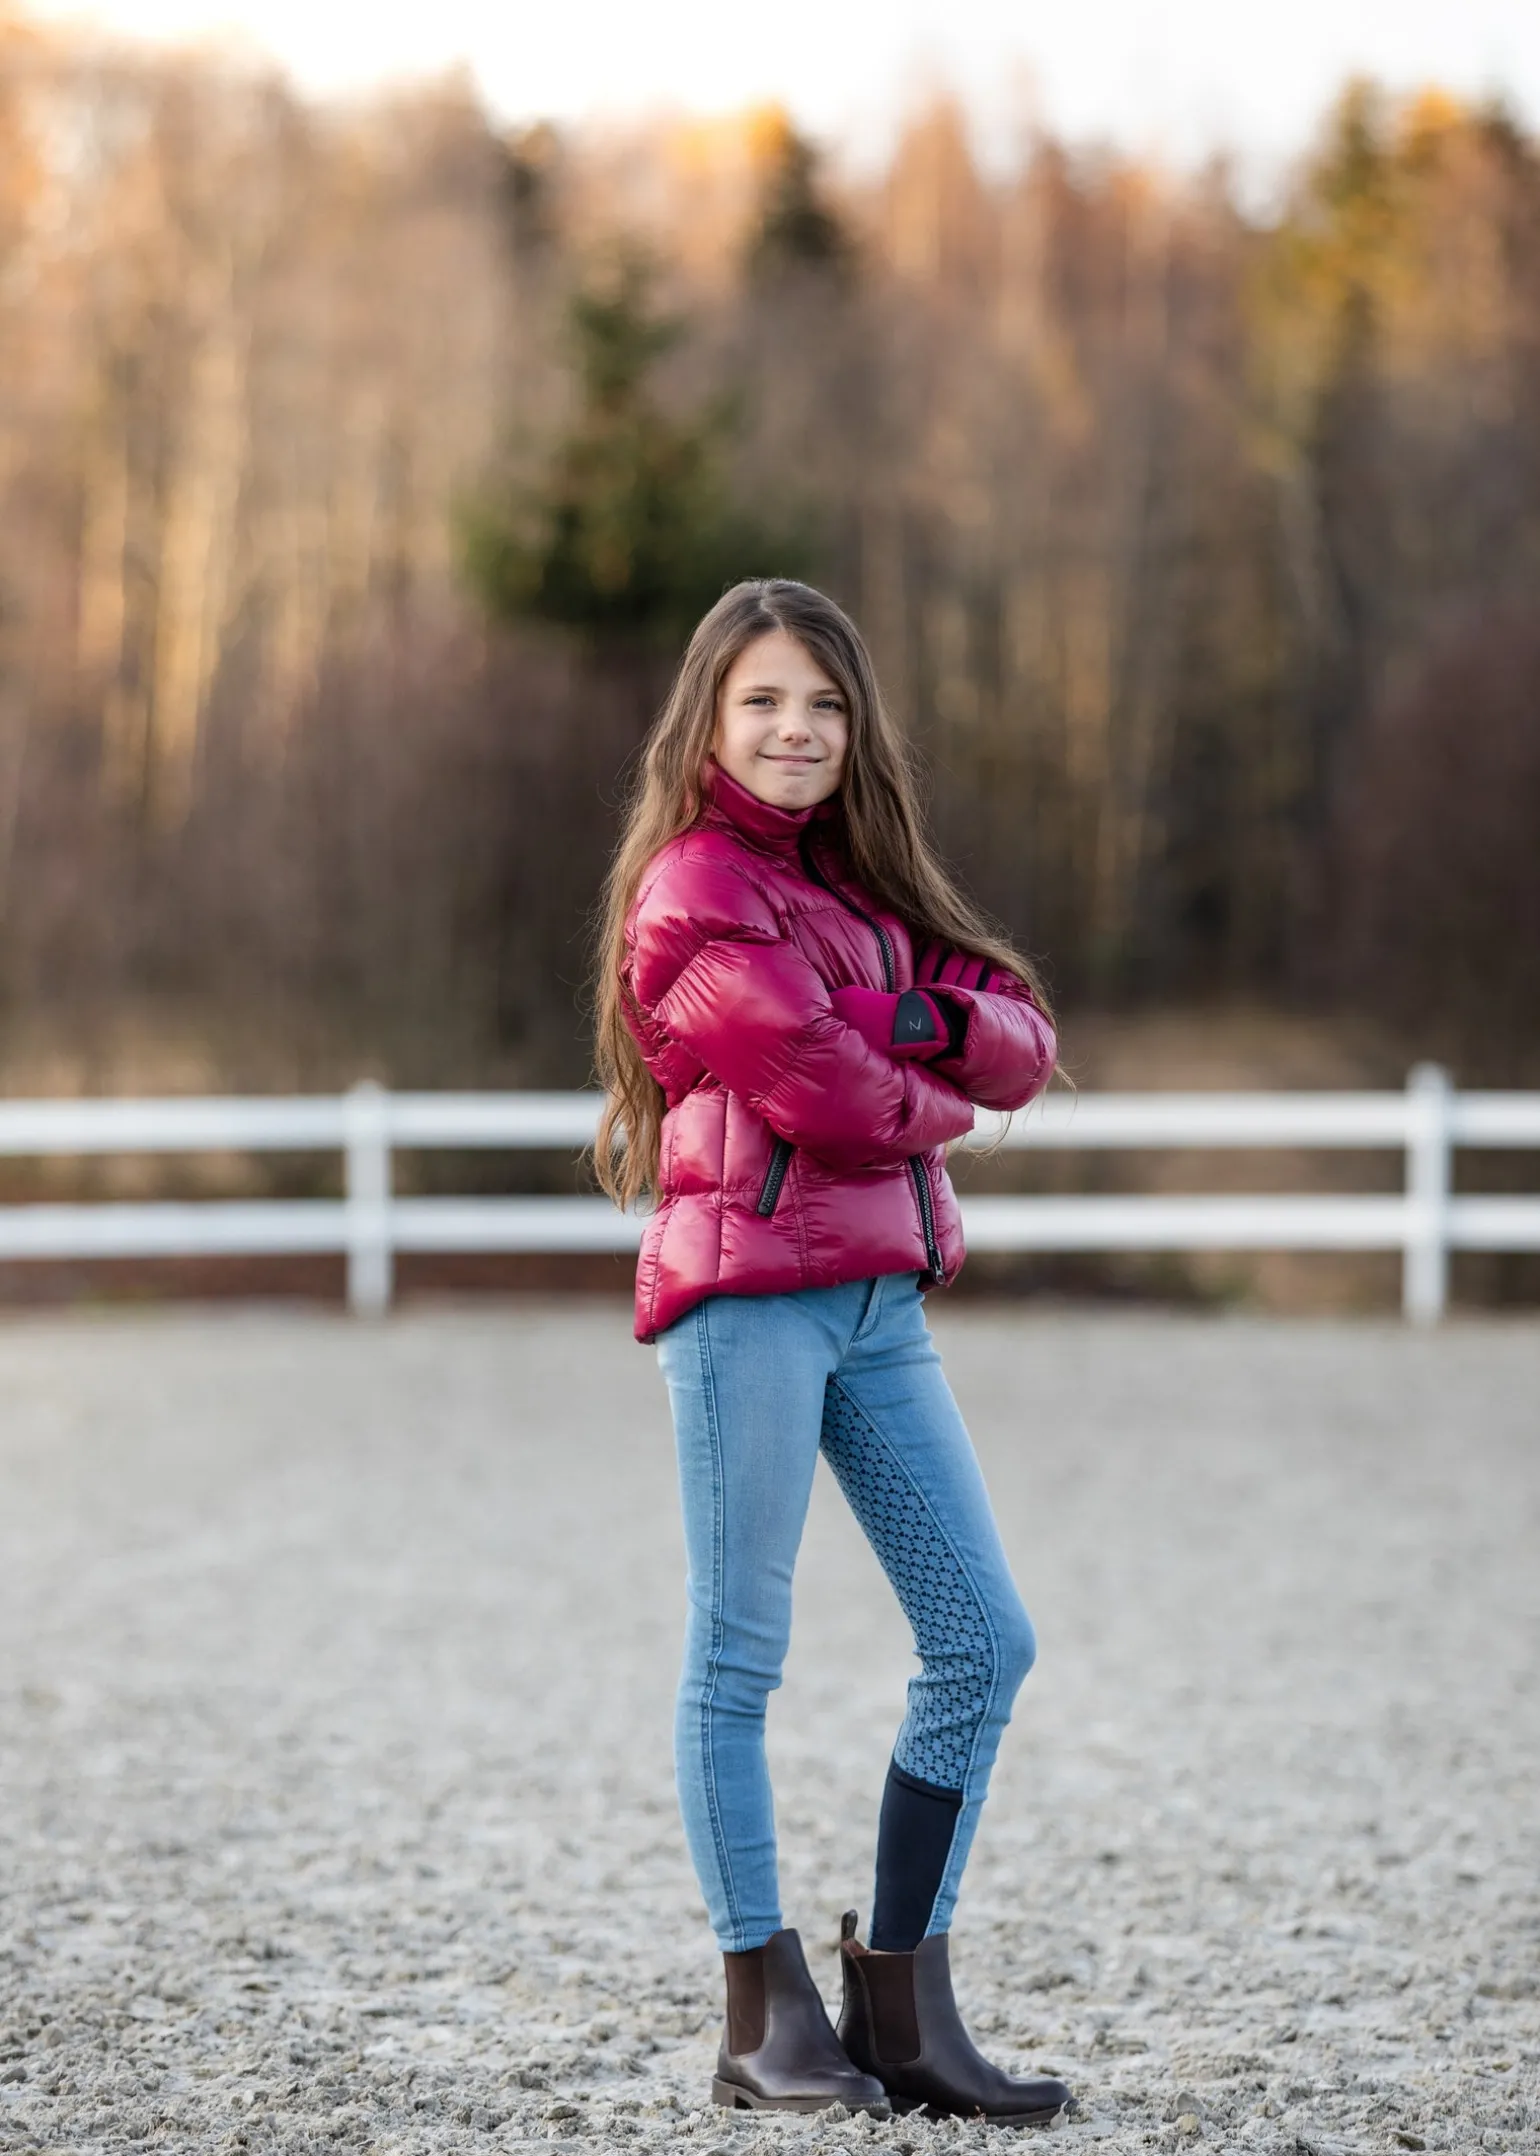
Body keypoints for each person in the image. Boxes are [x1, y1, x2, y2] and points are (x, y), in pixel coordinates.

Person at [593, 579, 1070, 2126]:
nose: (797, 731)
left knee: (983, 1642)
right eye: (763, 703)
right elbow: (835, 1101)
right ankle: (758, 2014)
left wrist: (907, 1019)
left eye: (825, 705)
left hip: (876, 1303)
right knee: (740, 1659)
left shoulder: (868, 885)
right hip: (748, 1300)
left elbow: (1022, 1040)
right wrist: (927, 1063)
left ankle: (902, 2001)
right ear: (710, 723)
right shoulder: (690, 889)